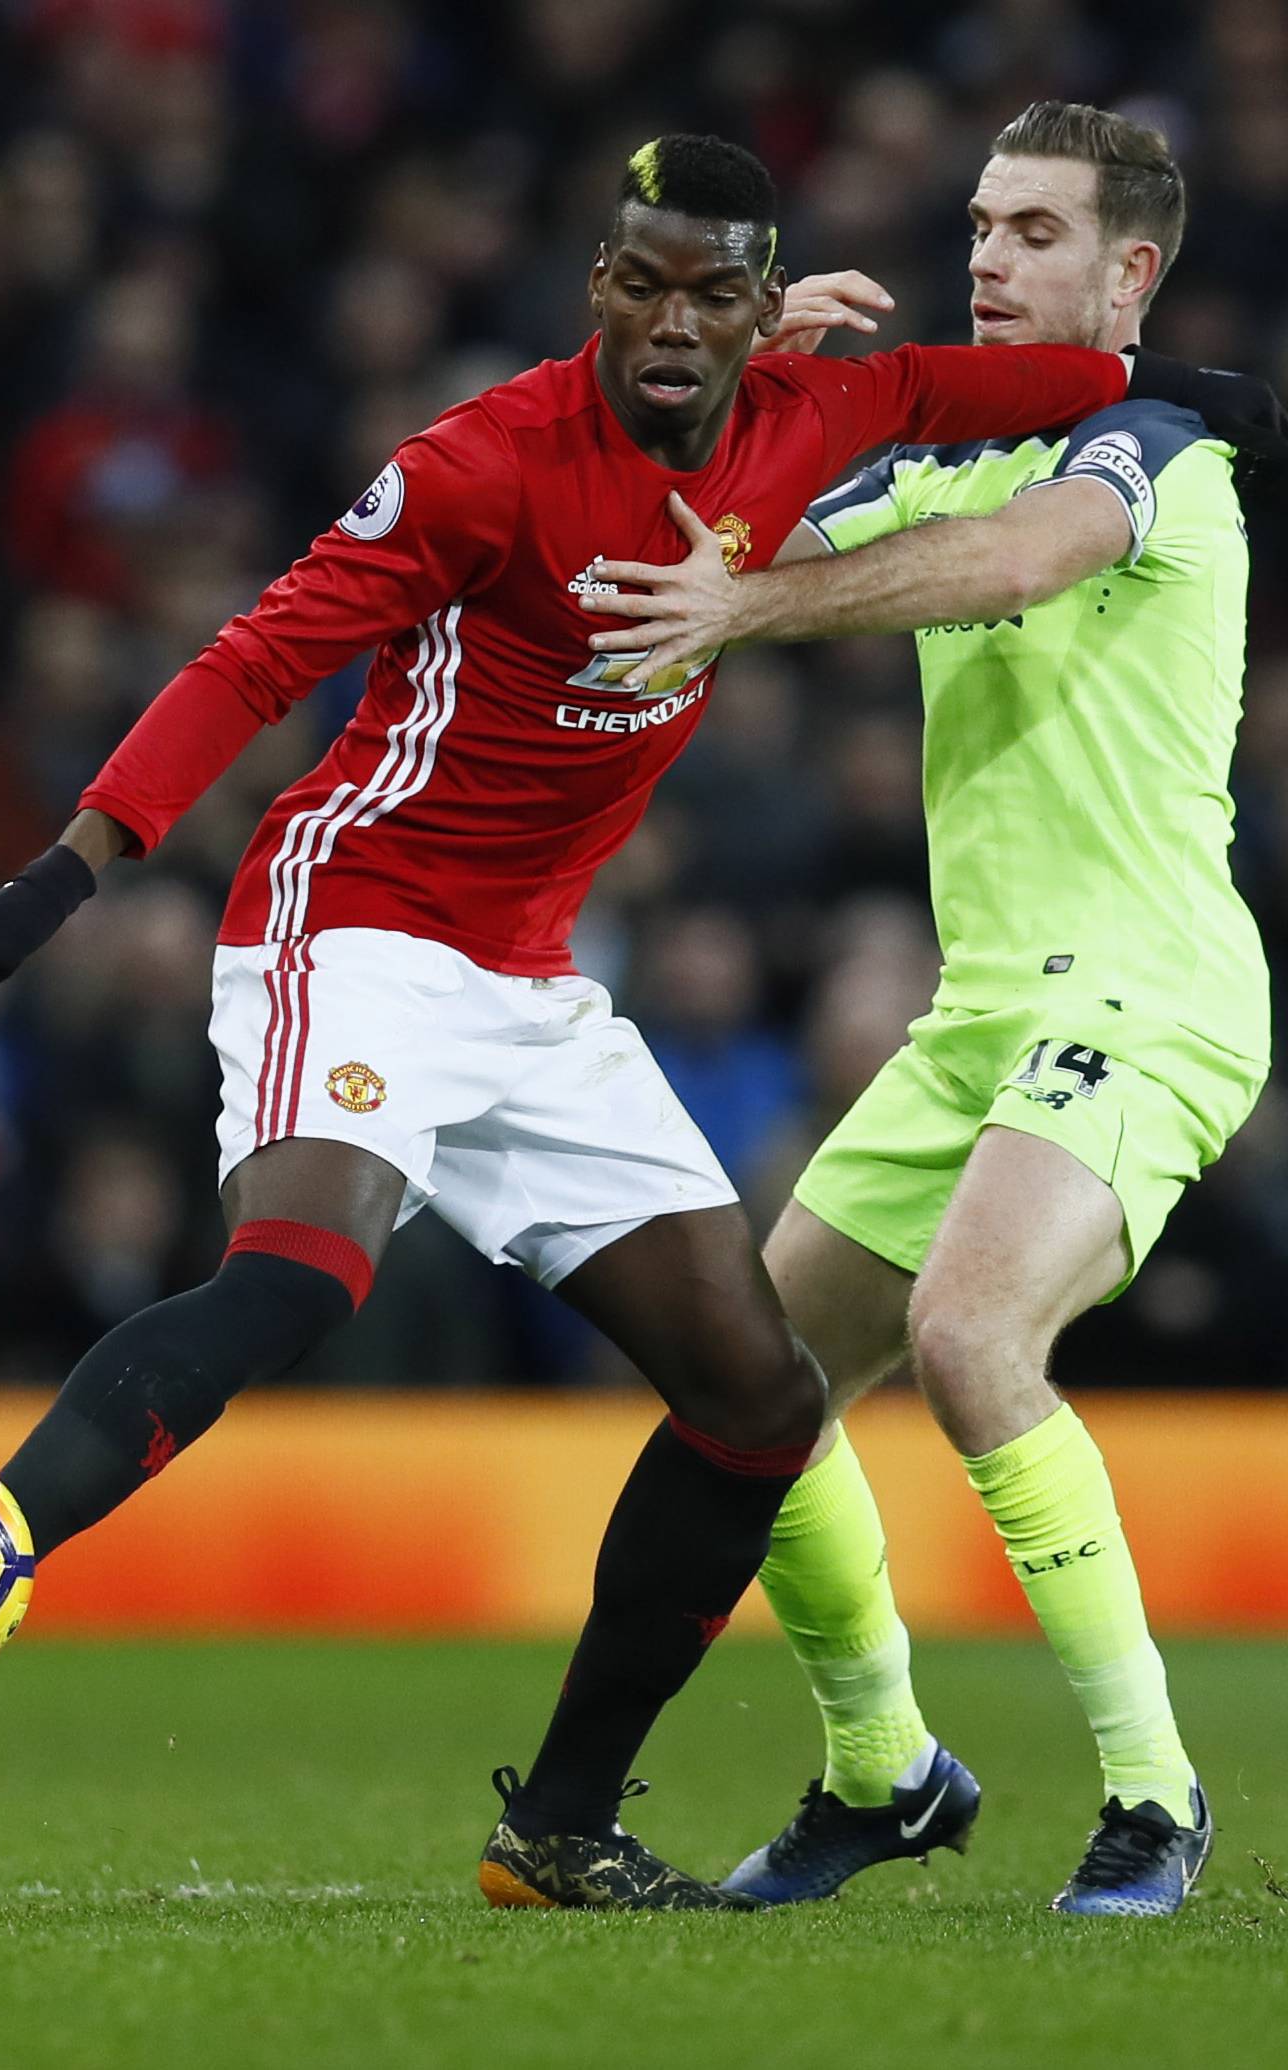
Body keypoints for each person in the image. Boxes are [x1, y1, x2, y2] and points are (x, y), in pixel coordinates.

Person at [0, 131, 1258, 1908]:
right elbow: (256, 656)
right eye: (641, 283)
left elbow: (1094, 385)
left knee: (755, 1391)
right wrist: (69, 867)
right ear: (597, 286)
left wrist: (1213, 395)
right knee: (301, 1278)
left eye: (714, 292)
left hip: (542, 983)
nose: (671, 320)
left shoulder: (840, 415)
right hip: (365, 924)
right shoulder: (482, 466)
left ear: (758, 304)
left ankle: (563, 1823)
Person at [578, 103, 1267, 1917]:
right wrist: (745, 390)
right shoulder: (950, 443)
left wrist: (752, 602)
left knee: (972, 1337)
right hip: (986, 1010)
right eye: (978, 222)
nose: (985, 256)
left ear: (1129, 271)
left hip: (1151, 981)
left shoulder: (1157, 447)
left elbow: (1018, 562)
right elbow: (685, 513)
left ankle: (1153, 1796)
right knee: (755, 1394)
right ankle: (884, 1767)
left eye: (1036, 231)